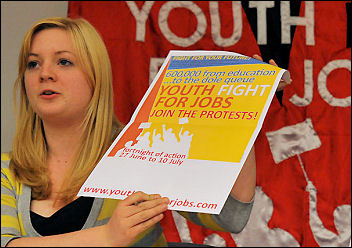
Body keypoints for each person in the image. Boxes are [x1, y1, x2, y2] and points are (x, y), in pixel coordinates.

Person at [1, 17, 287, 247]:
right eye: (33, 63)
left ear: (96, 77)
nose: (44, 73)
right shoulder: (6, 170)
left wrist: (248, 111)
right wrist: (108, 238)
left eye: (63, 61)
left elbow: (229, 216)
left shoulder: (140, 151)